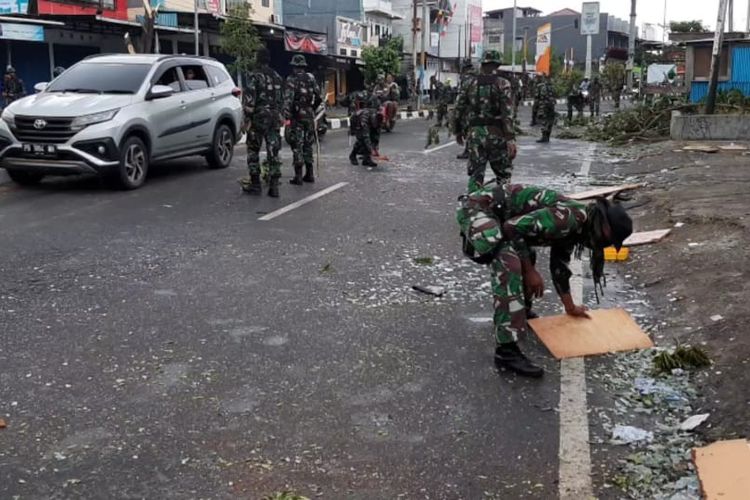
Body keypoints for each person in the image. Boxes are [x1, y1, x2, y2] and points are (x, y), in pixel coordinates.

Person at [456, 183, 633, 377]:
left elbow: (559, 266)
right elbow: (511, 227)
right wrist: (530, 272)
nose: (605, 244)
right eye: (609, 238)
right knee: (510, 264)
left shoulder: (579, 227)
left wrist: (570, 307)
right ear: (604, 225)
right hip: (478, 209)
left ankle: (519, 311)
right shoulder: (569, 218)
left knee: (524, 254)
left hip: (501, 218)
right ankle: (506, 352)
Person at [453, 50, 516, 193]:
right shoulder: (503, 83)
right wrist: (510, 139)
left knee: (476, 175)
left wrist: (457, 131)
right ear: (497, 64)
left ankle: (473, 207)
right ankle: (503, 206)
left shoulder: (469, 83)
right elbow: (507, 113)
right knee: (503, 176)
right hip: (497, 135)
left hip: (475, 135)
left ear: (482, 63)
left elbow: (458, 109)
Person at [241, 46, 284, 197]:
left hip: (258, 118)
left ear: (258, 59)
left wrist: (246, 120)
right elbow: (281, 101)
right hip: (274, 119)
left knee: (253, 151)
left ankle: (255, 184)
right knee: (273, 151)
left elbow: (249, 102)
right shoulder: (277, 77)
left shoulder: (254, 76)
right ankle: (274, 186)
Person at [284, 54, 322, 185]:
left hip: (297, 117)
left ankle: (298, 176)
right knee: (308, 145)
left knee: (297, 145)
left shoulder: (291, 79)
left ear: (295, 66)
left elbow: (288, 100)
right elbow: (319, 97)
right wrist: (312, 108)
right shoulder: (311, 78)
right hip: (309, 116)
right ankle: (310, 174)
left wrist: (287, 117)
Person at [349, 95, 381, 168]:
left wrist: (375, 148)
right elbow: (365, 137)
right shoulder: (364, 119)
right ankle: (352, 155)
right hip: (356, 122)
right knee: (361, 141)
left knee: (372, 138)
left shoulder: (378, 117)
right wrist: (371, 150)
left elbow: (376, 136)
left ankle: (366, 159)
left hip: (368, 124)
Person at [457, 59, 476, 160]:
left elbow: (462, 97)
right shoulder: (478, 76)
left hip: (468, 109)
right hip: (480, 108)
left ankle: (468, 151)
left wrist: (458, 112)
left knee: (468, 130)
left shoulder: (466, 79)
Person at [535, 75, 556, 144]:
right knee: (550, 121)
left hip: (545, 106)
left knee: (544, 121)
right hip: (552, 106)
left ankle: (544, 137)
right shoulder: (553, 87)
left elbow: (540, 96)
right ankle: (548, 137)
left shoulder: (543, 87)